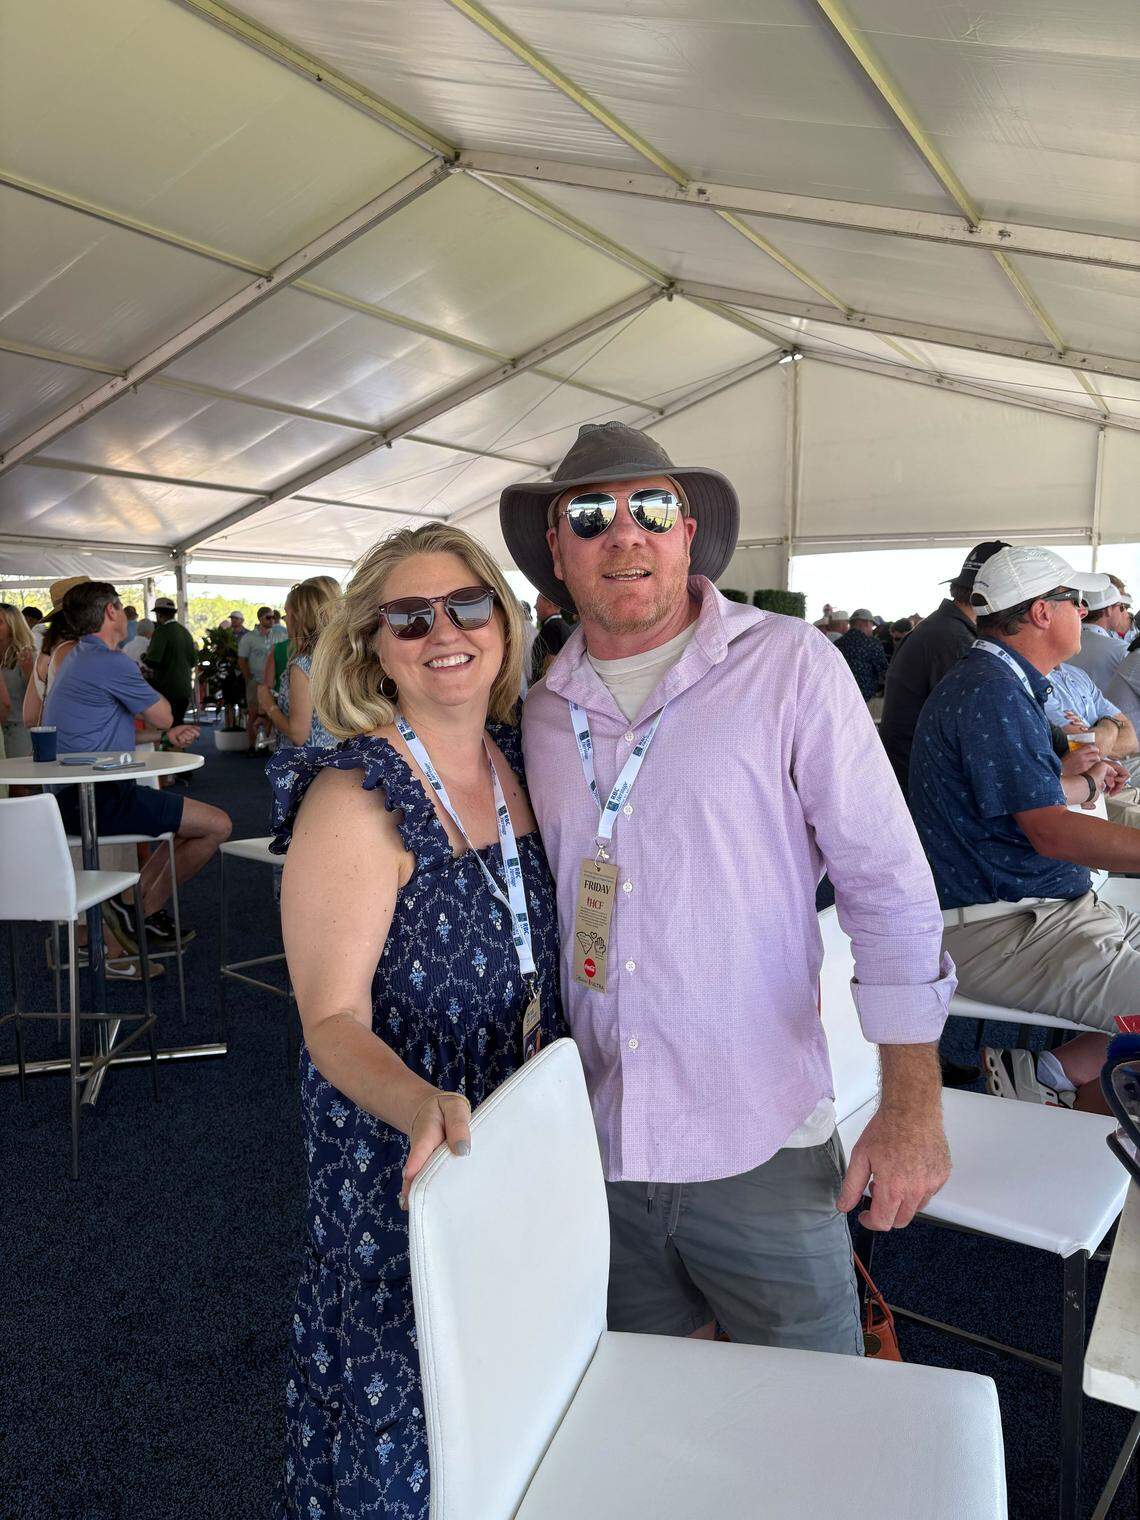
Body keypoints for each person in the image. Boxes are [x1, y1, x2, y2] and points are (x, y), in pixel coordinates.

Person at [501, 420, 952, 1358]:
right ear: (556, 548)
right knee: (661, 1420)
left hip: (758, 1139)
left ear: (687, 530)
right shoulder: (539, 709)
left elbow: (887, 883)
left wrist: (912, 1105)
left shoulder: (789, 664)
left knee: (813, 1426)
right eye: (589, 515)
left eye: (650, 509)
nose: (622, 534)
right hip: (601, 1139)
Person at [266, 524, 565, 1519]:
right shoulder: (358, 796)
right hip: (407, 1162)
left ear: (504, 620)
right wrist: (420, 1104)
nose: (445, 629)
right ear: (372, 647)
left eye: (467, 603)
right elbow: (330, 1017)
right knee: (419, 1426)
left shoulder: (526, 758)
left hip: (525, 1137)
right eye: (410, 615)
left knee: (523, 1408)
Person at [908, 546, 1140, 1109]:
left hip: (1040, 914)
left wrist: (1064, 776)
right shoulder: (990, 692)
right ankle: (1072, 1138)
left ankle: (1048, 1077)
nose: (1083, 612)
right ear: (1040, 612)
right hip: (1004, 927)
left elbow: (1034, 808)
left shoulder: (1003, 683)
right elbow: (1053, 834)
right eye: (1074, 602)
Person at [42, 582, 231, 953]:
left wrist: (164, 736)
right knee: (217, 825)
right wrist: (160, 715)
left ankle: (132, 906)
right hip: (92, 798)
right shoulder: (109, 660)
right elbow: (162, 713)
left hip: (74, 795)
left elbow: (103, 733)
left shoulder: (80, 656)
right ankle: (140, 910)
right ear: (112, 611)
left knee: (187, 827)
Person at [879, 541, 1009, 795]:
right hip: (922, 791)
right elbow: (978, 729)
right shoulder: (955, 641)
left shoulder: (944, 629)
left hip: (912, 781)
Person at [258, 577, 340, 752]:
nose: (285, 619)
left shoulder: (303, 665)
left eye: (287, 613)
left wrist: (269, 705)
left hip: (307, 765)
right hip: (337, 758)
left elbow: (298, 735)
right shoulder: (338, 656)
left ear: (299, 618)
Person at [1068, 575, 1132, 692]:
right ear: (1108, 610)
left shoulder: (1064, 642)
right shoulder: (1121, 650)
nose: (1124, 613)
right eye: (1121, 607)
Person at [143, 596, 197, 725]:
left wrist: (144, 657)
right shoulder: (185, 632)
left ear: (158, 614)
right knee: (178, 724)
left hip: (167, 689)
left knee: (168, 728)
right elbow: (193, 661)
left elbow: (153, 661)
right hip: (184, 688)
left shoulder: (161, 632)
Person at [0, 603, 36, 760]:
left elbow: (38, 696)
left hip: (19, 731)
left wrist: (28, 670)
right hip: (2, 730)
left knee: (18, 781)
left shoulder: (26, 655)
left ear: (13, 625)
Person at [237, 607, 276, 752]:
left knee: (270, 713)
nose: (272, 620)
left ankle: (265, 745)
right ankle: (252, 746)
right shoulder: (249, 638)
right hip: (255, 682)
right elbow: (241, 660)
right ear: (260, 619)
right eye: (268, 617)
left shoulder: (277, 635)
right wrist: (249, 678)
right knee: (253, 713)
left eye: (273, 617)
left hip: (272, 683)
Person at [834, 608, 888, 701]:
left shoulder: (837, 643)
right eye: (872, 626)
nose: (872, 629)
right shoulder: (872, 643)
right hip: (863, 700)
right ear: (867, 623)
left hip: (839, 696)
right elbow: (884, 670)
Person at [530, 591, 572, 682]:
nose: (535, 606)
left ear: (549, 605)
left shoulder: (552, 628)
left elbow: (550, 662)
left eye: (537, 602)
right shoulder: (562, 626)